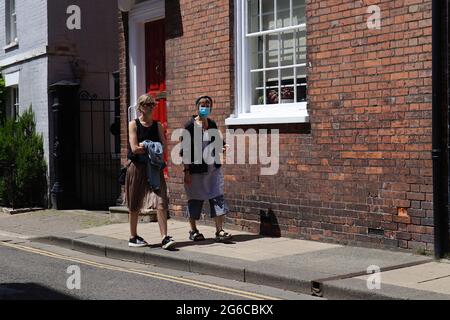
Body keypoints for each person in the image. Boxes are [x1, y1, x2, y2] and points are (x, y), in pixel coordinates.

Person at [125, 94, 176, 250]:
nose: (150, 107)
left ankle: (164, 238)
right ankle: (133, 237)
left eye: (152, 105)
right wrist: (151, 147)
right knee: (134, 202)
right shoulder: (133, 124)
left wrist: (146, 145)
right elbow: (135, 148)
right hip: (137, 167)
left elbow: (163, 147)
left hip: (154, 167)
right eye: (146, 105)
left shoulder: (157, 125)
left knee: (161, 202)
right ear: (140, 107)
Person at [183, 96, 232, 242]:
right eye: (202, 104)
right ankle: (193, 230)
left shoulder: (211, 123)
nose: (205, 107)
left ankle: (219, 230)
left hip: (213, 169)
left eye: (208, 104)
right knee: (195, 199)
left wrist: (222, 147)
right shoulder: (189, 126)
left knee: (217, 197)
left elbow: (217, 142)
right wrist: (186, 171)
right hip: (196, 170)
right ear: (196, 107)